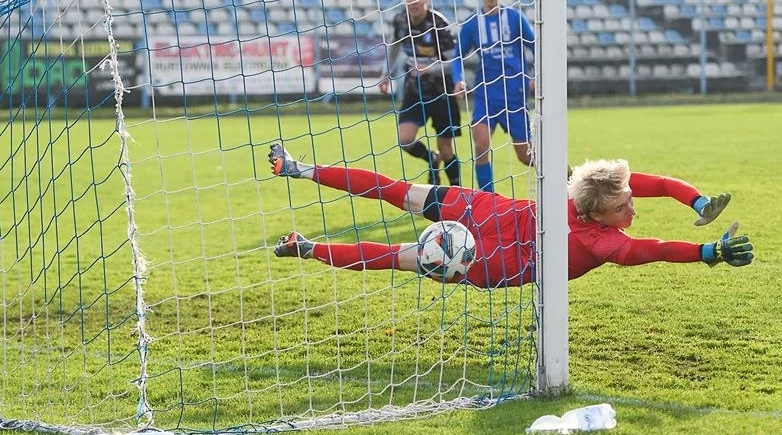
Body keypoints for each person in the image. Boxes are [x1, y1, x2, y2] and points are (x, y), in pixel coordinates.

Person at [266, 142, 747, 288]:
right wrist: (708, 251)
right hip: (494, 229)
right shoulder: (599, 234)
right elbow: (653, 249)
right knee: (397, 192)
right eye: (623, 207)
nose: (631, 207)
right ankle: (299, 169)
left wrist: (698, 204)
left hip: (495, 255)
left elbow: (657, 193)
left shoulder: (594, 200)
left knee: (398, 256)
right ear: (597, 212)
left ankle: (307, 248)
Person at [378, 0, 463, 186]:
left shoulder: (438, 24)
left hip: (442, 94)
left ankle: (456, 190)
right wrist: (386, 73)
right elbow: (394, 45)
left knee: (446, 149)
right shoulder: (400, 20)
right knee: (405, 140)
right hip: (414, 90)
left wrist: (430, 69)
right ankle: (431, 158)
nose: (413, 1)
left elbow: (454, 63)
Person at [454, 0, 535, 192]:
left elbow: (536, 45)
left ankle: (567, 177)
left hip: (514, 94)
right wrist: (458, 80)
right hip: (486, 95)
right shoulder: (472, 23)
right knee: (481, 147)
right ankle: (488, 201)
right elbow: (457, 56)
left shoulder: (515, 18)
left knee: (525, 156)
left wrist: (537, 75)